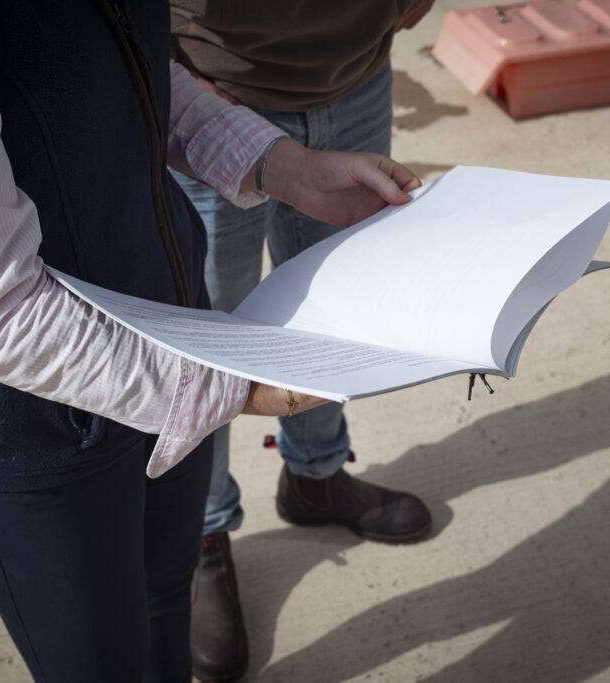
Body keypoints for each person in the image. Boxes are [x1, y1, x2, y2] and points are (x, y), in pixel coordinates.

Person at [0, 1, 421, 681]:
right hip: (35, 425)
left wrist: (283, 166)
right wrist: (239, 385)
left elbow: (128, 71)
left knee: (167, 595)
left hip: (172, 335)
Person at [168, 1, 436, 679]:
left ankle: (315, 477)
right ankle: (200, 527)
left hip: (356, 76)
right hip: (209, 90)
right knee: (210, 335)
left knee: (335, 308)